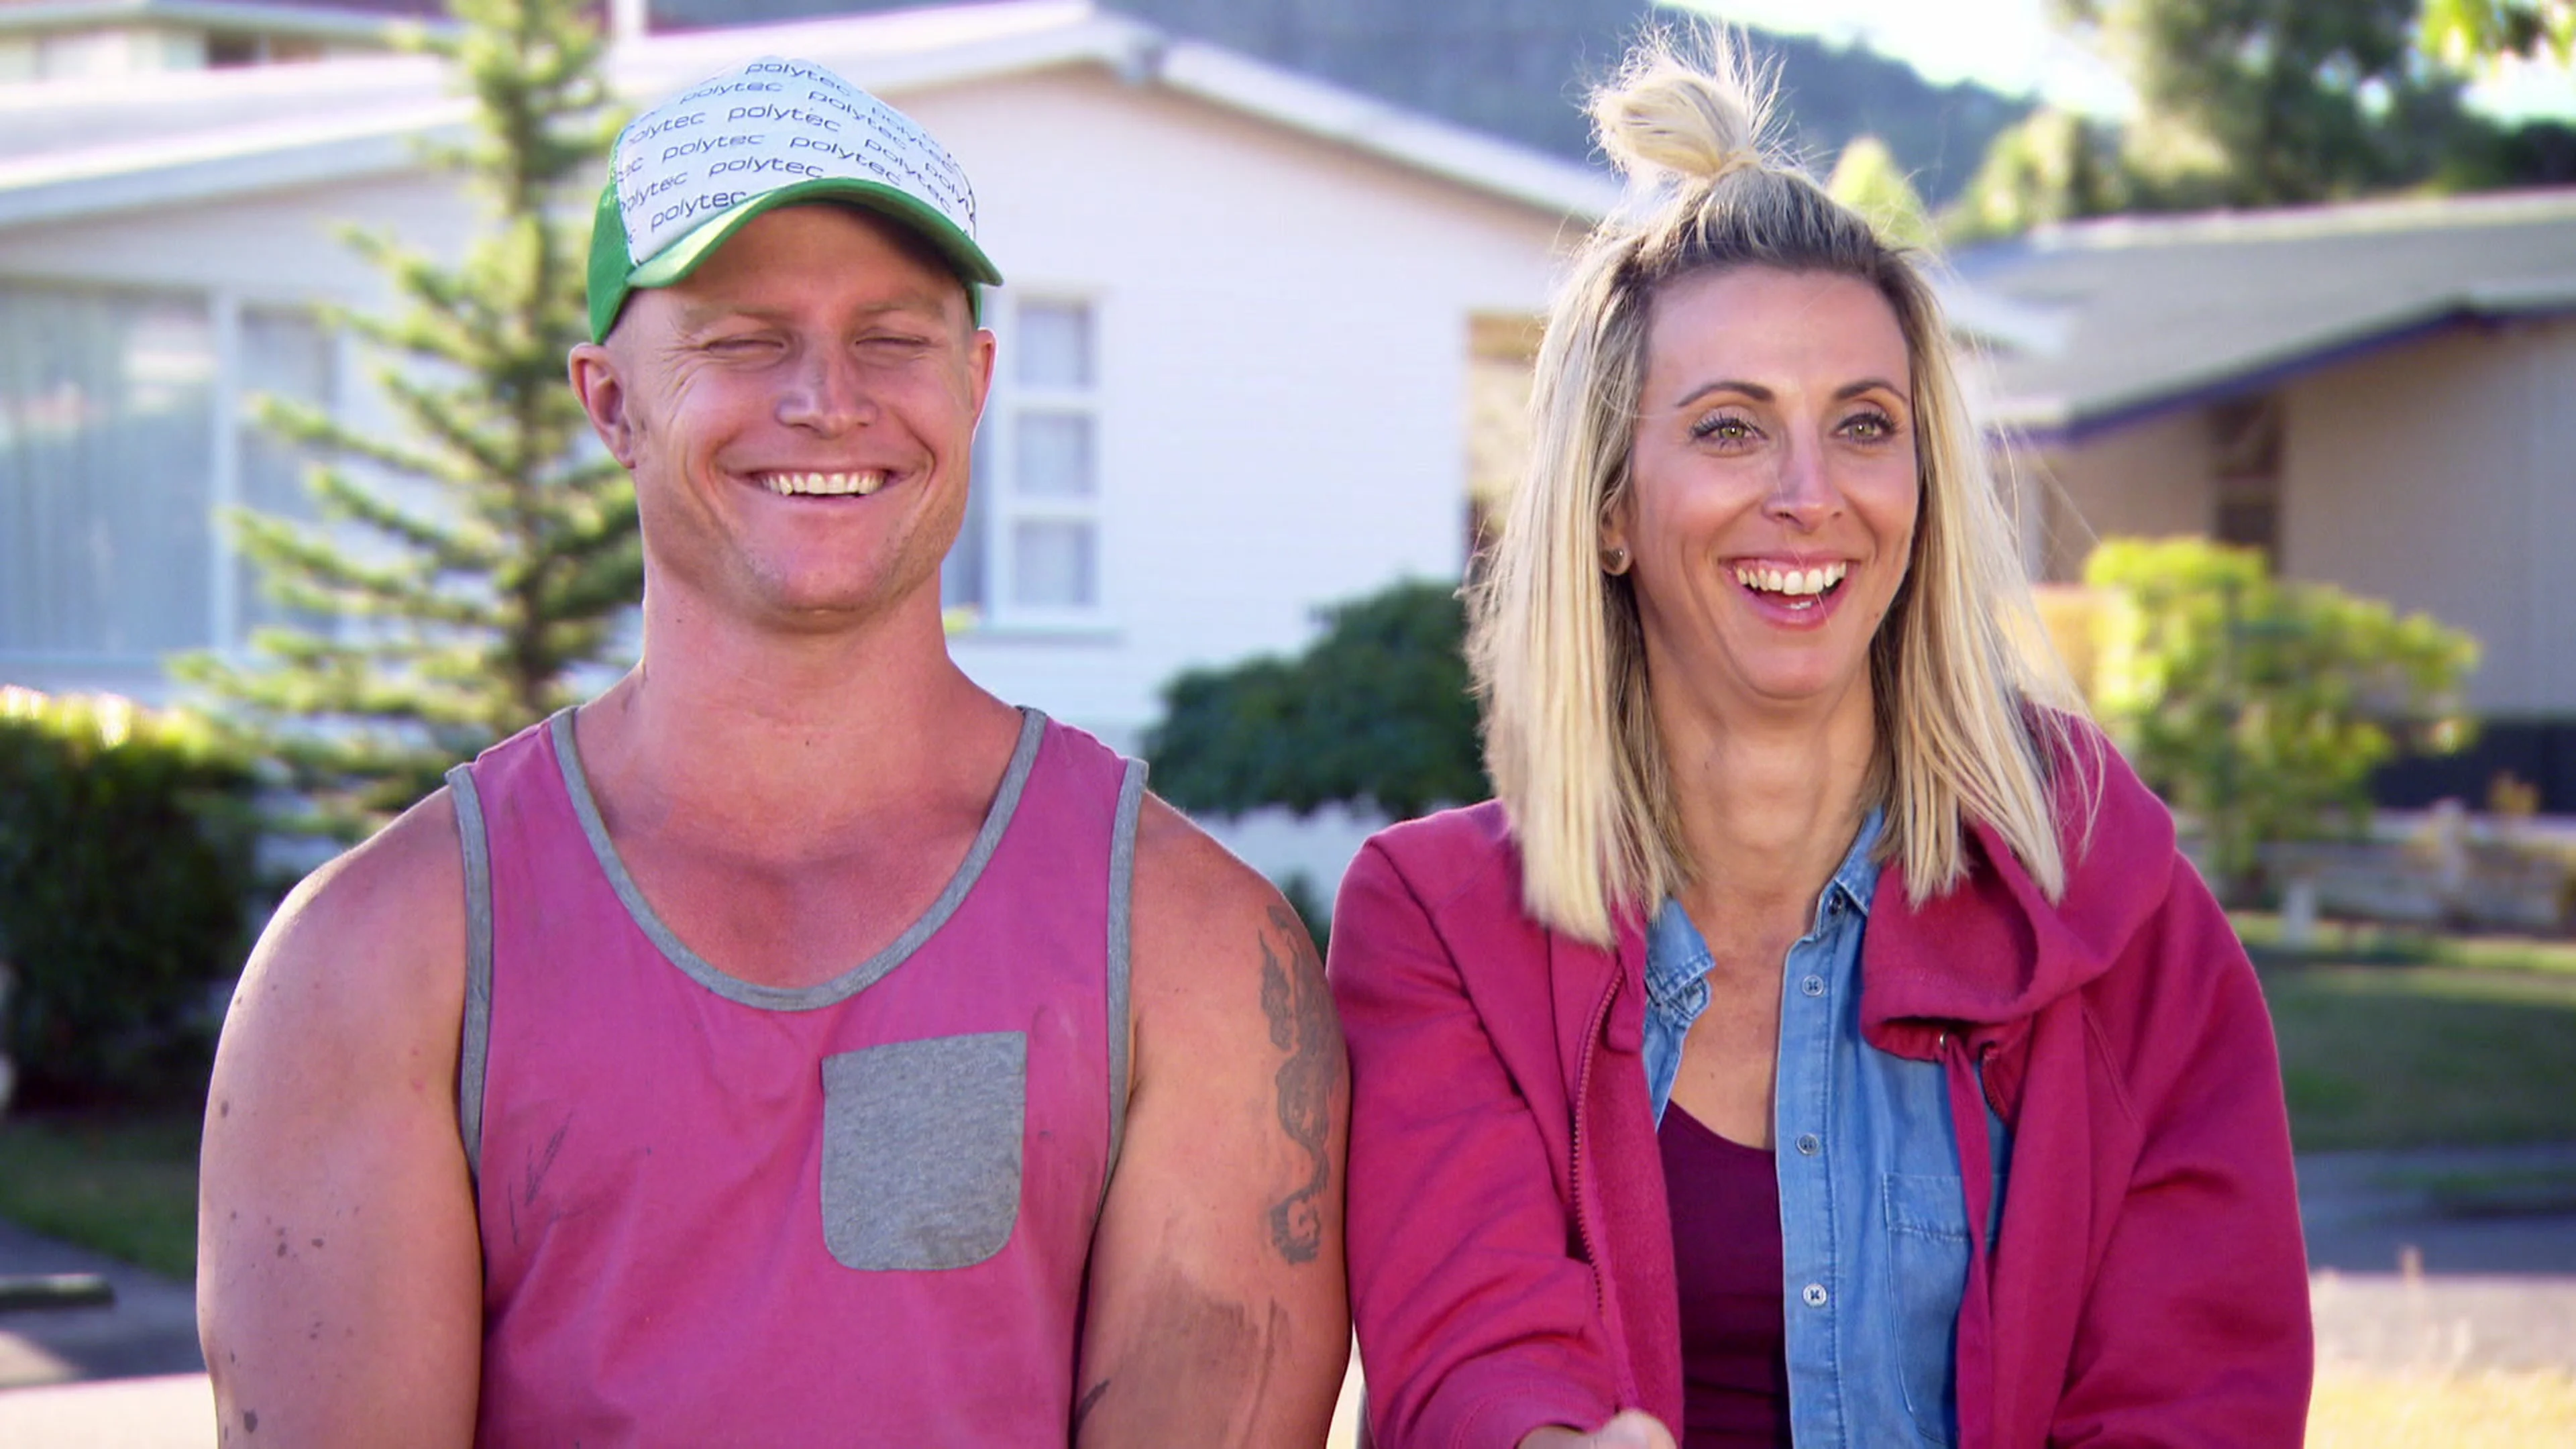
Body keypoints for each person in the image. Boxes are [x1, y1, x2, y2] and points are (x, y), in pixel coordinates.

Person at [199, 56, 1348, 1446]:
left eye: (893, 338)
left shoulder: (1195, 951)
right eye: (744, 340)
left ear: (976, 382)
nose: (826, 398)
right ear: (610, 402)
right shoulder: (377, 959)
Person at [1327, 36, 2311, 1449]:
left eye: (1864, 425)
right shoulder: (1446, 929)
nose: (1809, 493)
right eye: (1731, 429)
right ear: (1608, 511)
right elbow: (1471, 1348)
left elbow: (2195, 1394)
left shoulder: (2112, 912)